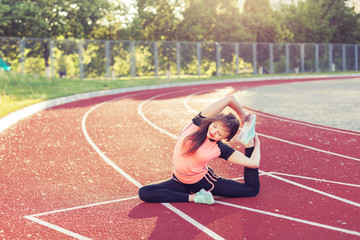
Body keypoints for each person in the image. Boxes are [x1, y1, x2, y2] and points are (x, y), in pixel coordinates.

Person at [138, 94, 260, 204]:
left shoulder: (219, 148)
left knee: (251, 190)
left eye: (219, 134)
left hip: (204, 183)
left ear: (225, 138)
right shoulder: (196, 125)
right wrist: (243, 117)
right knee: (144, 192)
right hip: (179, 180)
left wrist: (254, 145)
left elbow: (253, 164)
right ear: (211, 121)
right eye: (214, 126)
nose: (213, 132)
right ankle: (197, 198)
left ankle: (249, 139)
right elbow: (230, 99)